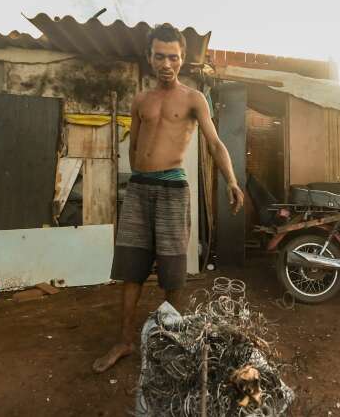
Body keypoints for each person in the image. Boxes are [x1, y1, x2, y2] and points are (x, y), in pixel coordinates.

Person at [92, 23, 244, 373]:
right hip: (140, 189)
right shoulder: (140, 99)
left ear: (182, 59)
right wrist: (140, 178)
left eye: (173, 57)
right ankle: (125, 340)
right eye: (159, 56)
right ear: (149, 57)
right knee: (130, 269)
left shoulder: (193, 98)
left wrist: (232, 182)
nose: (166, 64)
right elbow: (133, 146)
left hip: (173, 189)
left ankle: (171, 339)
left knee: (172, 271)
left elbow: (216, 143)